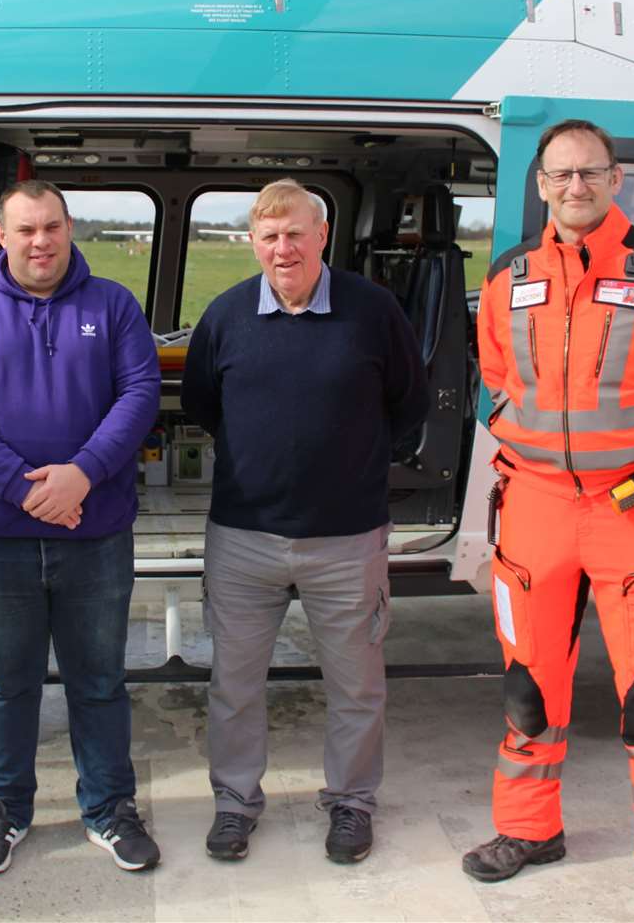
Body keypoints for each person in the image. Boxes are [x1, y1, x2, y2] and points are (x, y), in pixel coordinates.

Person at [463, 121, 634, 923]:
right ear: (540, 185)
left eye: (590, 173)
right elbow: (493, 377)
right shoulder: (509, 275)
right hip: (536, 510)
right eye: (561, 175)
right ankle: (528, 831)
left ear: (616, 180)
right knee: (527, 686)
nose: (575, 187)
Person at [181, 178, 428, 866]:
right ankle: (234, 805)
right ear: (253, 242)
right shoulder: (225, 316)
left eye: (296, 233)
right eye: (269, 235)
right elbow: (205, 403)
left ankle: (351, 804)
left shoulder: (373, 312)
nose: (283, 247)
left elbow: (409, 404)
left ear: (323, 235)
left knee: (356, 686)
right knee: (234, 685)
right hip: (243, 538)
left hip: (347, 539)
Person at [0, 180, 163, 874]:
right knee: (6, 681)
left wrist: (82, 474)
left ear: (70, 226)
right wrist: (24, 490)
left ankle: (110, 808)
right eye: (26, 229)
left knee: (99, 680)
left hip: (97, 534)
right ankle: (4, 808)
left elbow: (139, 393)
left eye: (52, 226)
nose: (41, 242)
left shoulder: (113, 305)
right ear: (1, 234)